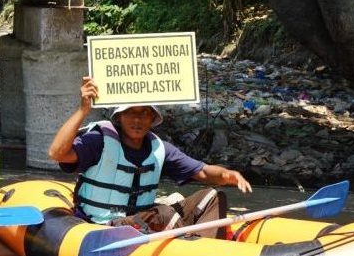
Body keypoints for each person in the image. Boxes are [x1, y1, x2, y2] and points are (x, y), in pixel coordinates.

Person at [48, 76, 252, 237]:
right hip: (103, 225)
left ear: (153, 118)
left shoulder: (159, 148)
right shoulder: (99, 140)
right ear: (119, 116)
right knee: (163, 213)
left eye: (144, 113)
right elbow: (57, 153)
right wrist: (83, 110)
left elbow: (204, 173)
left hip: (143, 223)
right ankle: (190, 247)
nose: (137, 119)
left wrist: (228, 175)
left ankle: (203, 253)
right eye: (130, 112)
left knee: (212, 197)